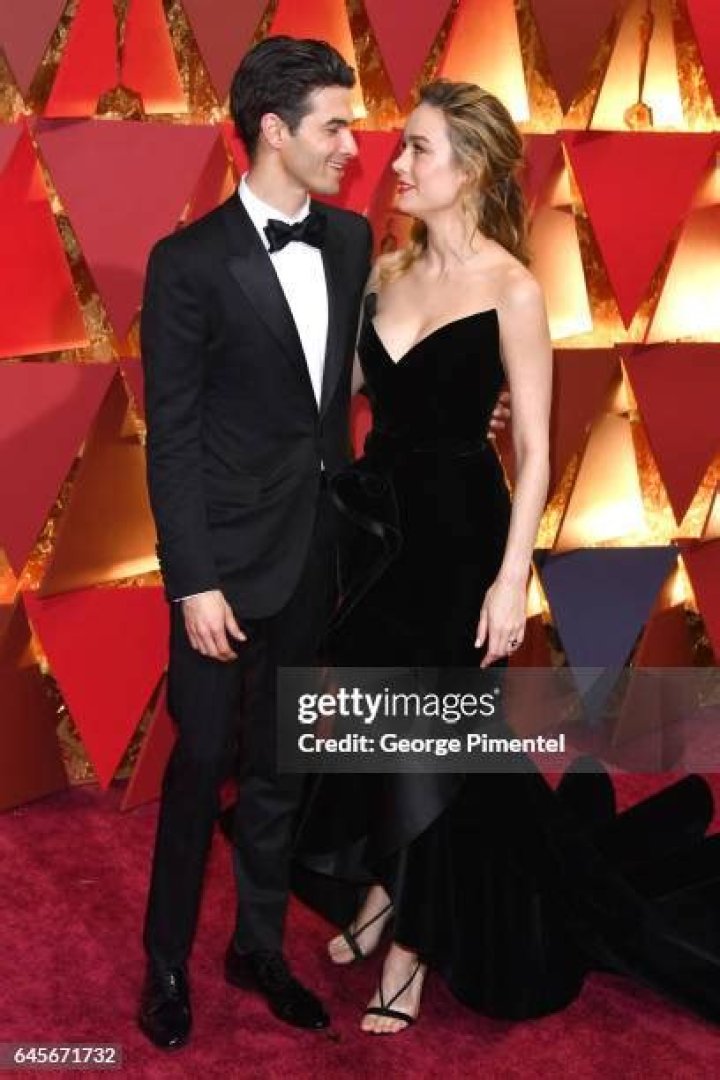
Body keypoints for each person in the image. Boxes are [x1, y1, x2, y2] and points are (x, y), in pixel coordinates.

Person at [294, 79, 720, 1034]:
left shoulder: (514, 291)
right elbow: (337, 393)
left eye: (419, 149)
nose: (397, 163)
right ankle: (387, 888)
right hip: (375, 534)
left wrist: (512, 575)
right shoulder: (384, 270)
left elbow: (532, 451)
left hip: (460, 538)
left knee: (436, 743)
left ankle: (411, 948)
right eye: (402, 145)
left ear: (473, 170)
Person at [138, 34, 511, 1049]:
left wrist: (464, 404)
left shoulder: (350, 244)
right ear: (274, 130)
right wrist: (192, 582)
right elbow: (171, 440)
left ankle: (258, 947)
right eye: (337, 127)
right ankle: (165, 961)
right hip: (221, 570)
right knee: (200, 762)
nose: (356, 146)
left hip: (319, 555)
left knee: (281, 767)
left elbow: (384, 367)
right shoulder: (186, 264)